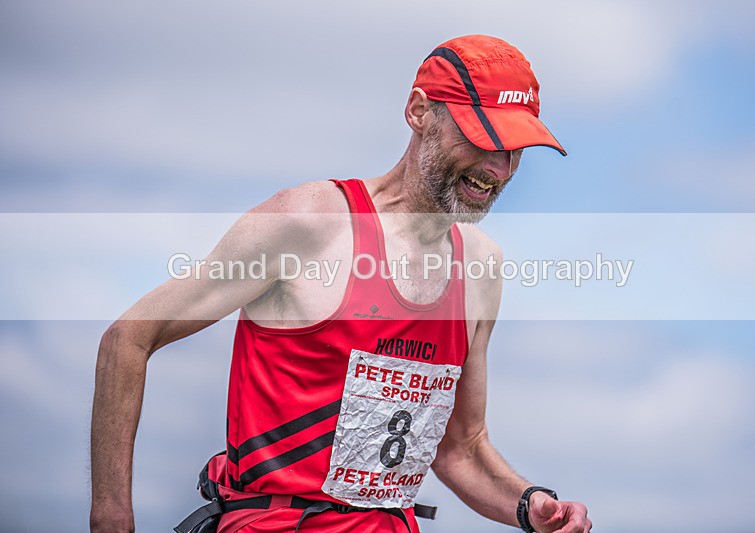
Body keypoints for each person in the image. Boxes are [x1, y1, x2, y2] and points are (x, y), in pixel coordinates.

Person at [90, 34, 592, 533]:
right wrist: (112, 515)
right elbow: (128, 338)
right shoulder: (309, 223)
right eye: (483, 139)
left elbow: (461, 449)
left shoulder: (480, 267)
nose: (499, 168)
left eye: (515, 149)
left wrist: (531, 505)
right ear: (419, 112)